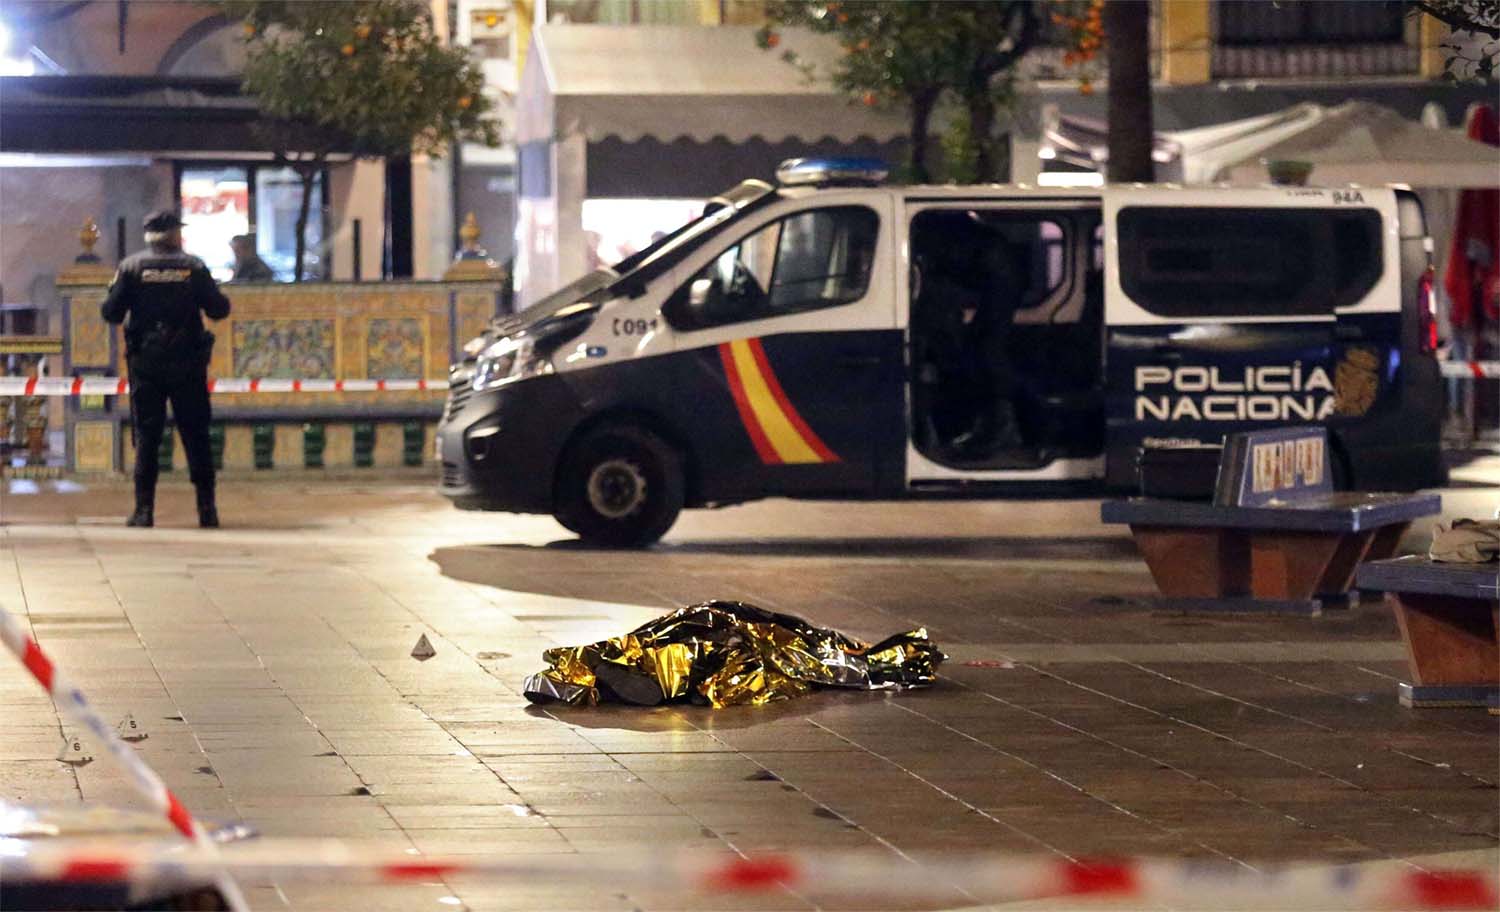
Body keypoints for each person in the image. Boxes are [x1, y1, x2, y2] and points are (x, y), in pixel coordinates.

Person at [101, 210, 231, 528]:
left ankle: (144, 511)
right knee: (196, 436)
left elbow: (111, 313)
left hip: (147, 365)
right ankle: (207, 509)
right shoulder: (194, 267)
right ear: (174, 234)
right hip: (188, 364)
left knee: (147, 437)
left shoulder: (131, 268)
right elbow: (219, 309)